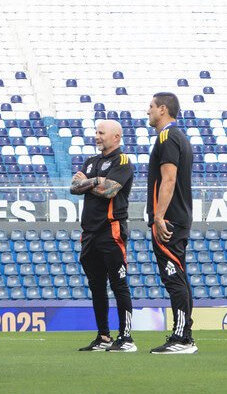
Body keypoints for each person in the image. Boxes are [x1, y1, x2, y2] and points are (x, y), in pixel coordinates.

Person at [71, 119, 137, 352]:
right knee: (96, 286)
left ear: (116, 137)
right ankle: (103, 337)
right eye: (96, 132)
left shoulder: (123, 161)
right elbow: (73, 187)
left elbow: (110, 190)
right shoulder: (91, 161)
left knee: (119, 285)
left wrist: (90, 183)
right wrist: (96, 181)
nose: (97, 136)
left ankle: (126, 338)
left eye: (101, 133)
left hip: (112, 230)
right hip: (89, 233)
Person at [145, 91, 196, 354]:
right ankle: (185, 334)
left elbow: (169, 179)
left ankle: (182, 338)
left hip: (169, 220)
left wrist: (158, 216)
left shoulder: (167, 136)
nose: (148, 111)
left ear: (163, 109)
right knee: (180, 277)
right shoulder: (180, 137)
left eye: (151, 107)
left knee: (173, 278)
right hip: (179, 216)